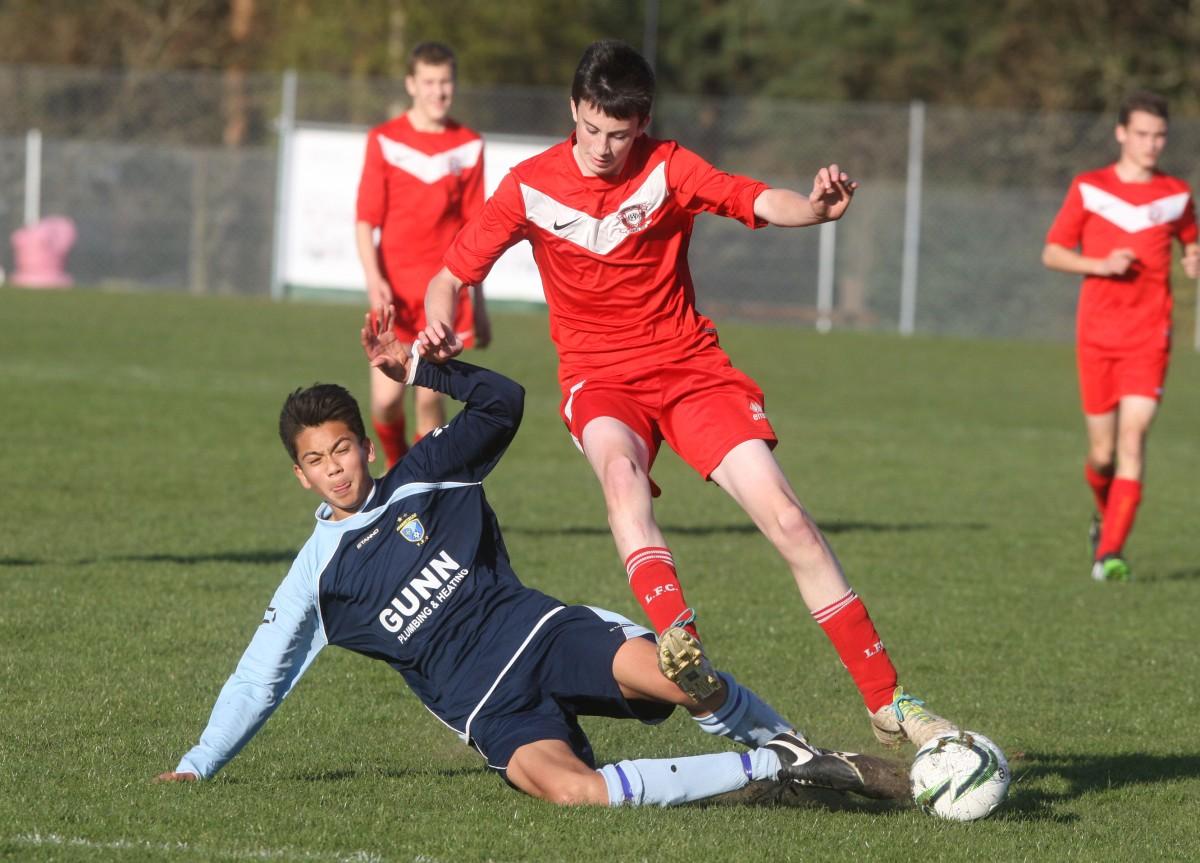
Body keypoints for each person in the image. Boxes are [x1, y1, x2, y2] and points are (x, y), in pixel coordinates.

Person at [421, 39, 954, 748]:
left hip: (690, 369)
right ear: (574, 109)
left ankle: (889, 702)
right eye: (592, 128)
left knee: (789, 518)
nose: (605, 147)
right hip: (599, 379)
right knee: (620, 475)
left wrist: (817, 209)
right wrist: (436, 316)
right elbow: (452, 273)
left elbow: (752, 198)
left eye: (620, 132)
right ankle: (684, 647)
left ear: (641, 123)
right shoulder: (529, 185)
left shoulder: (670, 167)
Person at [155, 309, 909, 808]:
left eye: (343, 447)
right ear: (301, 474)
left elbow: (504, 402)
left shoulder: (430, 472)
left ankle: (790, 745)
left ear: (363, 439)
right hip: (489, 708)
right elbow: (261, 674)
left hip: (544, 634)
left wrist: (419, 365)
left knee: (683, 674)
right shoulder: (318, 579)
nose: (337, 468)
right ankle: (776, 771)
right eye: (317, 460)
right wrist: (198, 761)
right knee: (572, 792)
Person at [1042, 90, 1199, 582]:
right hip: (1096, 336)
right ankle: (1104, 517)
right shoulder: (1089, 188)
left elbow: (1192, 243)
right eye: (1143, 135)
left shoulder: (1176, 194)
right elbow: (1052, 252)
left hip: (1150, 336)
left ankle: (1110, 553)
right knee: (1103, 455)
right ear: (1121, 134)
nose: (1153, 144)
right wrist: (1100, 264)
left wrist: (1193, 259)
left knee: (1133, 440)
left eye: (1160, 136)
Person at [355, 40, 490, 467]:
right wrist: (374, 280)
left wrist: (480, 305)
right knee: (386, 403)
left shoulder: (468, 146)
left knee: (430, 404)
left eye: (445, 81)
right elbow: (364, 221)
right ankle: (398, 467)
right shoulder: (384, 141)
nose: (438, 90)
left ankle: (419, 491)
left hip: (443, 299)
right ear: (412, 84)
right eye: (429, 81)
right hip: (393, 299)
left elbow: (477, 234)